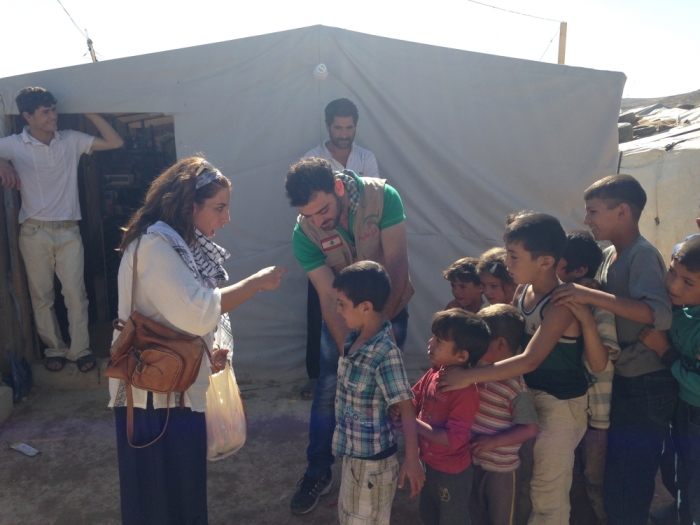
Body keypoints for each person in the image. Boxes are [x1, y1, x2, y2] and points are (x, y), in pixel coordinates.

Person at [110, 157, 287, 525]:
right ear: (190, 206)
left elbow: (187, 315)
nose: (226, 218)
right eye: (219, 208)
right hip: (152, 398)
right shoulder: (158, 247)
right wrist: (255, 283)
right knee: (160, 502)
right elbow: (197, 311)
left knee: (180, 496)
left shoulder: (177, 245)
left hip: (171, 389)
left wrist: (208, 353)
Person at [437, 213, 608, 525]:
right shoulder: (522, 292)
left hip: (559, 407)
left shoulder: (560, 303)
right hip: (529, 400)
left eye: (514, 256)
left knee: (548, 495)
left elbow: (530, 359)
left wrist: (468, 376)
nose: (506, 262)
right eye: (506, 253)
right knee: (529, 483)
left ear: (545, 261)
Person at [285, 156, 413, 514]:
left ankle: (386, 466)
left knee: (388, 391)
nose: (318, 221)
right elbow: (328, 296)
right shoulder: (304, 232)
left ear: (338, 187)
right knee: (330, 388)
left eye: (323, 209)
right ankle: (318, 471)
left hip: (389, 310)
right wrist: (349, 350)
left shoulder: (384, 196)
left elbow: (398, 263)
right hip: (343, 319)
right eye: (309, 215)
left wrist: (376, 332)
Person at [550, 174, 675, 525]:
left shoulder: (643, 255)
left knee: (632, 475)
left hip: (648, 383)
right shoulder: (609, 255)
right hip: (629, 380)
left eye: (593, 211)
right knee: (618, 471)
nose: (587, 220)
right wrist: (591, 286)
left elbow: (658, 313)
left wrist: (590, 294)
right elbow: (615, 301)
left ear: (622, 211)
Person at [0, 86, 124, 372]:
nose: (53, 116)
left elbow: (114, 141)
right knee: (41, 296)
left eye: (54, 110)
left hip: (69, 231)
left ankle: (80, 350)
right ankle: (54, 349)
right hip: (32, 231)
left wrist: (88, 108)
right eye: (45, 112)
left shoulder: (70, 140)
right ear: (27, 116)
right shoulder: (14, 144)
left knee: (75, 294)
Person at [332, 261, 424, 524]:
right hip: (354, 455)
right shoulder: (353, 340)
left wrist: (412, 459)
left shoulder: (385, 352)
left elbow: (406, 406)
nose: (337, 310)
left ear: (365, 307)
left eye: (342, 304)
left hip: (373, 465)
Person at [301, 98, 380, 400]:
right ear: (328, 127)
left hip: (360, 245)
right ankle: (317, 375)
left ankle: (365, 368)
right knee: (320, 308)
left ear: (355, 127)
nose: (344, 133)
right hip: (321, 244)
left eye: (349, 127)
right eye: (338, 127)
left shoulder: (366, 157)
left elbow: (372, 199)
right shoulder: (313, 157)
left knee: (363, 309)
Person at [396, 308, 490, 525]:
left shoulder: (466, 392)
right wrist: (399, 409)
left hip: (452, 473)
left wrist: (415, 425)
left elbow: (454, 439)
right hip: (430, 463)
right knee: (429, 513)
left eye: (439, 341)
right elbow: (414, 398)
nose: (430, 343)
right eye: (433, 337)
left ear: (462, 356)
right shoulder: (435, 372)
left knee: (452, 518)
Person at [556, 230, 619, 525]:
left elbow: (601, 362)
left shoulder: (598, 307)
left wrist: (585, 316)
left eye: (557, 262)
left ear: (579, 270)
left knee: (595, 480)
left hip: (597, 418)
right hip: (575, 411)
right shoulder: (557, 299)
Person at [639, 236, 700, 525]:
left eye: (688, 282)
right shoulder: (682, 308)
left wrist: (664, 352)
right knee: (681, 473)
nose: (673, 285)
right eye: (673, 272)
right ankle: (681, 513)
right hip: (684, 411)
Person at [470, 304, 539, 525]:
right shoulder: (474, 369)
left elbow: (529, 428)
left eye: (482, 338)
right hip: (472, 463)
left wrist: (494, 441)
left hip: (502, 472)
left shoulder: (515, 387)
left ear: (500, 343)